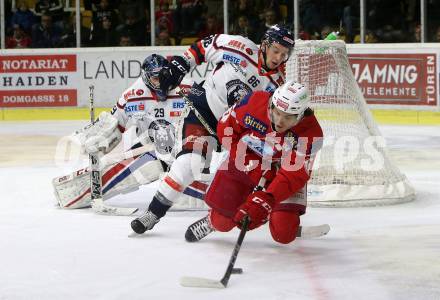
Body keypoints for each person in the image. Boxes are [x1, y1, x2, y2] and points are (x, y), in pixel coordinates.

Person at [130, 24, 295, 234]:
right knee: (188, 164)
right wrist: (180, 65)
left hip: (237, 131)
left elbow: (274, 119)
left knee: (242, 180)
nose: (279, 57)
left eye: (284, 54)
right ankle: (153, 213)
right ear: (265, 44)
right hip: (205, 109)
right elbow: (202, 48)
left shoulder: (278, 85)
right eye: (276, 50)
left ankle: (213, 221)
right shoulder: (239, 46)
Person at [53, 54, 201, 209]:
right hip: (152, 147)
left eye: (163, 76)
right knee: (120, 166)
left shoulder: (188, 88)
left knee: (189, 196)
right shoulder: (132, 95)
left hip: (187, 149)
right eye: (155, 78)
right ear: (145, 77)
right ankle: (73, 194)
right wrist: (95, 139)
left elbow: (210, 114)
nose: (161, 82)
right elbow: (112, 124)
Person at [184, 81, 323, 244]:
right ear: (271, 104)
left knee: (284, 233)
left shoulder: (312, 135)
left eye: (288, 117)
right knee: (221, 222)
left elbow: (293, 174)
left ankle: (270, 215)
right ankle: (211, 222)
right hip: (246, 158)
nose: (279, 122)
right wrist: (250, 164)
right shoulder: (254, 102)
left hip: (281, 172)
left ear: (300, 115)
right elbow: (226, 130)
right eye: (276, 113)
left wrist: (267, 199)